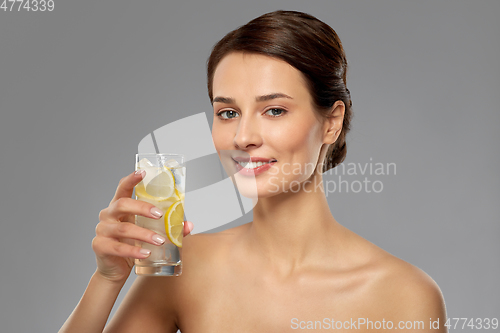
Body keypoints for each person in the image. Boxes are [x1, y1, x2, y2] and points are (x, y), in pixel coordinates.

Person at [60, 10, 447, 332]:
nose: (243, 137)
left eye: (274, 110)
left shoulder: (403, 297)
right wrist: (107, 280)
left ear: (331, 122)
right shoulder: (184, 269)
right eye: (227, 113)